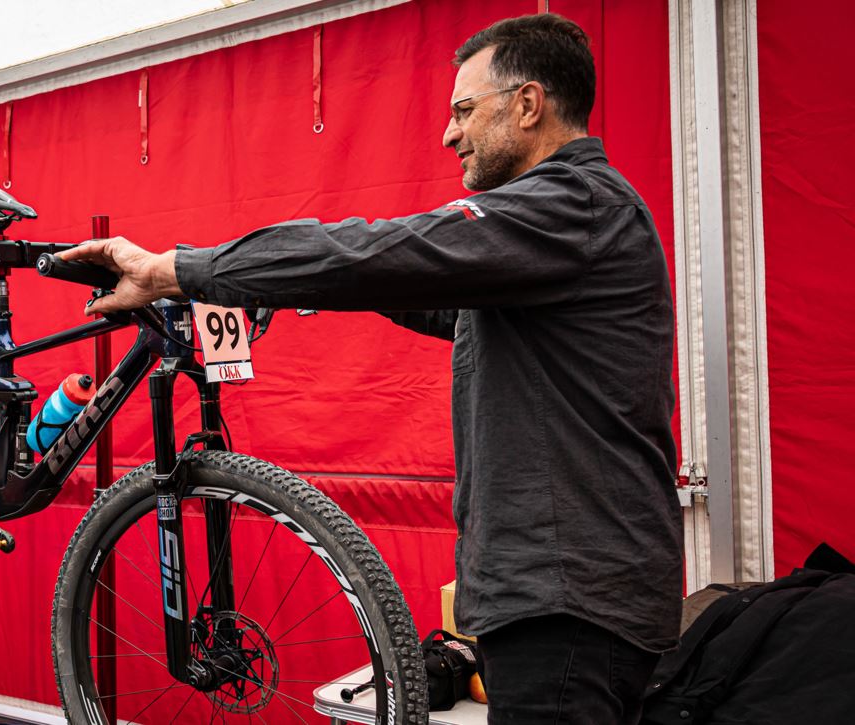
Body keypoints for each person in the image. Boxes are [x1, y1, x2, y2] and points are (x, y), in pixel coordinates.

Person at [60, 14, 681, 724]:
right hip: (564, 599)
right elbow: (428, 296)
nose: (450, 134)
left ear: (528, 105)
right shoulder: (556, 240)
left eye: (463, 110)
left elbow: (387, 254)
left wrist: (176, 269)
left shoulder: (571, 207)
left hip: (570, 605)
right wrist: (283, 281)